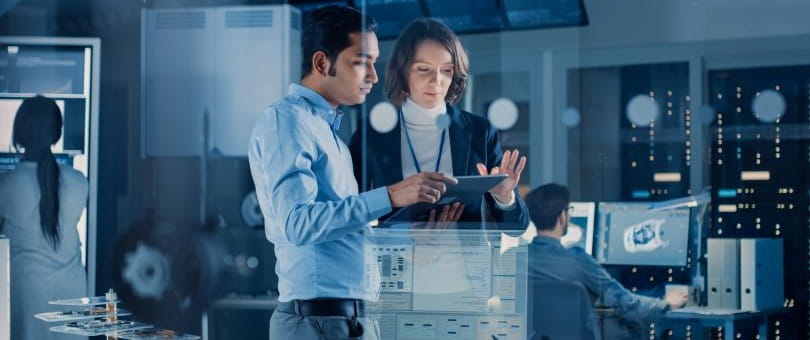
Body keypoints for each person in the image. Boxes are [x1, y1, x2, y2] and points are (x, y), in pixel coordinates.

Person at [248, 6, 457, 339]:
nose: (373, 76)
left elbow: (342, 233)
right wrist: (390, 195)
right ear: (322, 63)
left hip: (348, 319)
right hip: (318, 322)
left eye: (374, 63)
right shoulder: (287, 121)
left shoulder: (330, 135)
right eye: (361, 62)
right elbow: (298, 224)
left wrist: (410, 241)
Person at [349, 18, 528, 229]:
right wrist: (407, 234)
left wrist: (504, 197)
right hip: (398, 250)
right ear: (403, 71)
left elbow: (516, 228)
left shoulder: (479, 131)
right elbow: (352, 214)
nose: (437, 81)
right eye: (424, 69)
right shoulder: (370, 134)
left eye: (447, 70)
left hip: (467, 251)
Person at [525, 184, 688, 339]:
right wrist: (665, 303)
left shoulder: (514, 259)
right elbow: (627, 305)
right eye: (569, 211)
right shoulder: (577, 260)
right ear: (562, 217)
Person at [0, 95, 88, 340]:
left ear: (19, 133)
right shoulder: (79, 182)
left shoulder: (5, 186)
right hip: (72, 297)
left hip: (27, 297)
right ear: (56, 134)